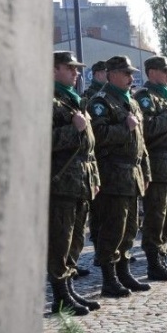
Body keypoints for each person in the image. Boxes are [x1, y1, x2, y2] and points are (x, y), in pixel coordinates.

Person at [87, 55, 151, 297]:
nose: (130, 78)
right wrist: (125, 127)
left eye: (131, 73)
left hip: (132, 173)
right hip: (113, 173)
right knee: (112, 227)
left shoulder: (131, 102)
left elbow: (141, 142)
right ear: (111, 74)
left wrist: (145, 171)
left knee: (130, 227)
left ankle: (124, 271)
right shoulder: (100, 102)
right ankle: (109, 278)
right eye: (125, 73)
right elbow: (98, 135)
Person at [49, 51, 101, 315]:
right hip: (59, 183)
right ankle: (60, 296)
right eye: (70, 68)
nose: (76, 72)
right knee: (60, 239)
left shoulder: (73, 101)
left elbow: (89, 149)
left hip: (80, 180)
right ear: (54, 69)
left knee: (75, 239)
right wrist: (74, 129)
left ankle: (69, 289)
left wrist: (95, 178)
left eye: (76, 69)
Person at [134, 55, 167, 281]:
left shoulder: (165, 98)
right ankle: (154, 263)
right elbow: (147, 130)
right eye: (165, 71)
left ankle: (161, 257)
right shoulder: (145, 98)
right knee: (156, 215)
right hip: (155, 164)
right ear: (152, 72)